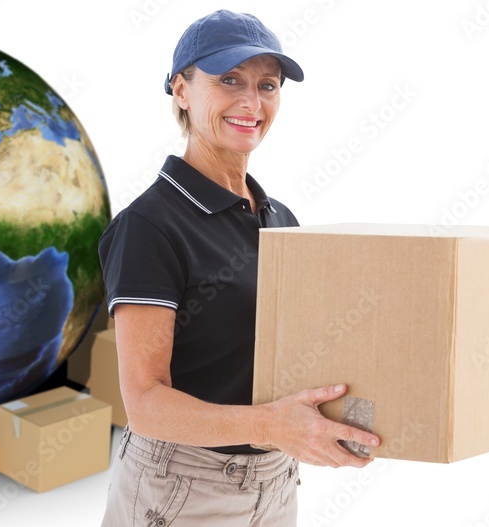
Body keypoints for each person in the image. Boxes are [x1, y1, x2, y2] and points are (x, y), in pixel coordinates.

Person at [97, 10, 381, 526]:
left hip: (277, 478)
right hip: (179, 486)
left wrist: (343, 418)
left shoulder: (281, 219)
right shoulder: (149, 226)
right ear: (181, 89)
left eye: (267, 85)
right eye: (229, 80)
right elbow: (145, 404)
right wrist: (273, 426)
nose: (252, 102)